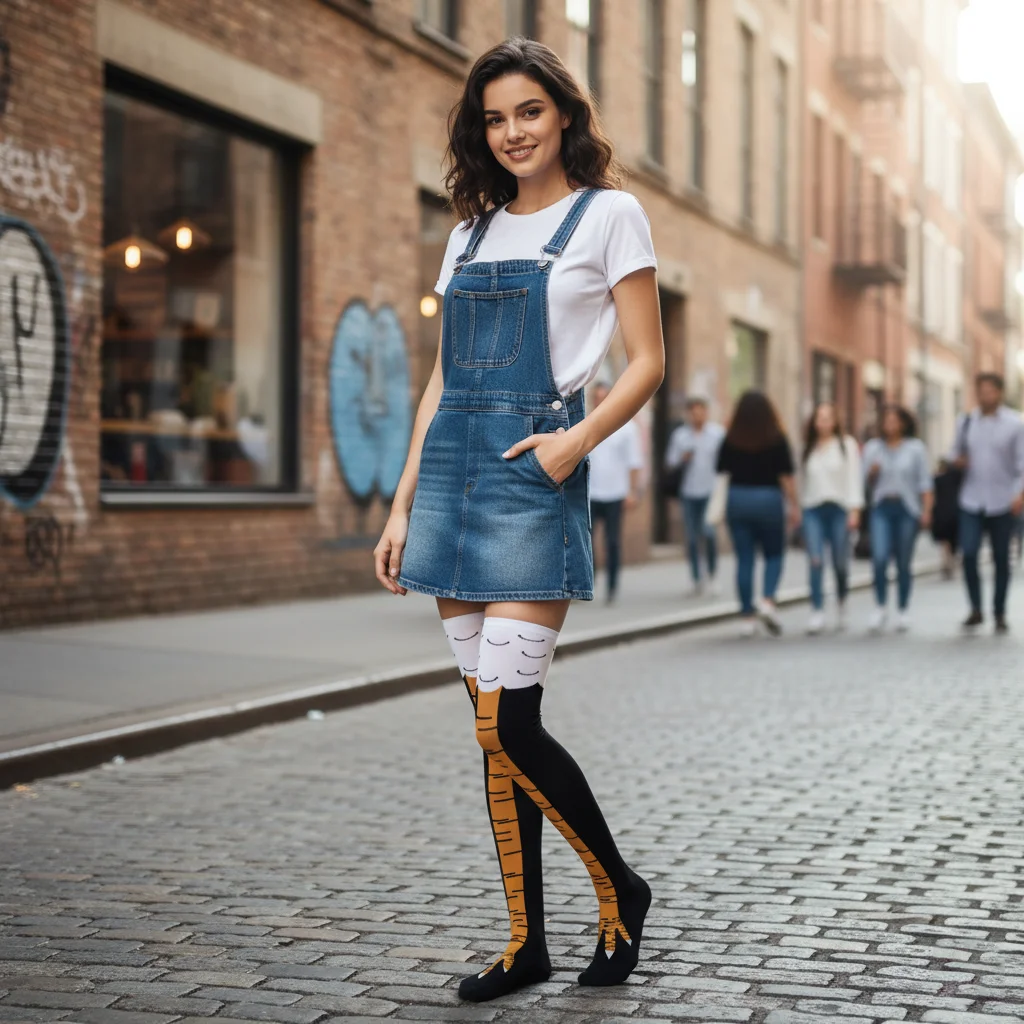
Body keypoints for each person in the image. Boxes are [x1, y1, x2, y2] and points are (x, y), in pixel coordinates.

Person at [372, 38, 663, 1003]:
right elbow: (441, 380)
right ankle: (524, 942)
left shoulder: (611, 215)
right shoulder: (468, 232)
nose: (512, 133)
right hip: (451, 479)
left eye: (529, 112)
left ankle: (619, 891)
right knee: (488, 733)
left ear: (564, 114)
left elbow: (647, 361)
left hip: (533, 474)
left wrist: (575, 444)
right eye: (494, 119)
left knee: (509, 722)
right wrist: (403, 503)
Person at [716, 390, 800, 637]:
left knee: (744, 559)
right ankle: (767, 600)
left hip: (738, 499)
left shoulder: (731, 437)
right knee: (774, 554)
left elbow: (720, 469)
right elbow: (786, 476)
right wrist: (794, 505)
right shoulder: (777, 437)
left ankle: (747, 618)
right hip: (768, 499)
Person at [950, 373, 1024, 634]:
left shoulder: (1014, 424)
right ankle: (976, 609)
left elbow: (1022, 463)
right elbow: (953, 453)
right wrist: (957, 460)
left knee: (1002, 558)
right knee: (969, 553)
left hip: (1003, 501)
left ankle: (999, 611)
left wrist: (1019, 494)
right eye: (981, 391)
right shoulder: (966, 422)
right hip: (971, 498)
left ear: (999, 392)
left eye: (990, 391)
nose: (985, 396)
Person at [862, 405, 933, 633]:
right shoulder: (873, 448)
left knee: (903, 562)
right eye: (886, 420)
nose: (890, 425)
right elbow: (863, 483)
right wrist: (872, 473)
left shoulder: (915, 448)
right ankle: (880, 606)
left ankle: (903, 609)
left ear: (903, 423)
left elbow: (925, 483)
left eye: (894, 421)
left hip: (906, 509)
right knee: (880, 558)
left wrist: (927, 511)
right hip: (881, 508)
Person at [800, 401, 863, 634]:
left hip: (839, 508)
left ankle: (842, 601)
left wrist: (854, 510)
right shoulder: (808, 447)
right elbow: (803, 482)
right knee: (815, 560)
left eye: (827, 418)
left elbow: (854, 478)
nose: (823, 422)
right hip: (813, 508)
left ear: (835, 421)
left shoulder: (847, 445)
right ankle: (816, 610)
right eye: (819, 418)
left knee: (840, 562)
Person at [588, 382, 644, 604]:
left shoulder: (627, 427)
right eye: (596, 397)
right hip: (591, 494)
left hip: (615, 493)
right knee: (587, 542)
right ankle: (589, 585)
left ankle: (612, 587)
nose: (599, 401)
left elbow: (634, 462)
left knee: (612, 542)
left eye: (604, 397)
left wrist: (632, 491)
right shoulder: (585, 423)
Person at [664, 396, 724, 595]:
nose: (697, 416)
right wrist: (683, 458)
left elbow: (724, 464)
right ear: (688, 414)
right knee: (691, 537)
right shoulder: (680, 436)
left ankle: (712, 574)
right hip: (688, 492)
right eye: (693, 412)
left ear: (706, 413)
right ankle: (696, 578)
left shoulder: (717, 435)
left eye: (701, 412)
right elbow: (670, 462)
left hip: (710, 492)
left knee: (709, 533)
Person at [931, 458, 961, 580]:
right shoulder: (954, 480)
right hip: (954, 512)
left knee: (944, 541)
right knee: (951, 540)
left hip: (940, 512)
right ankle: (949, 561)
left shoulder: (937, 480)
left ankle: (945, 560)